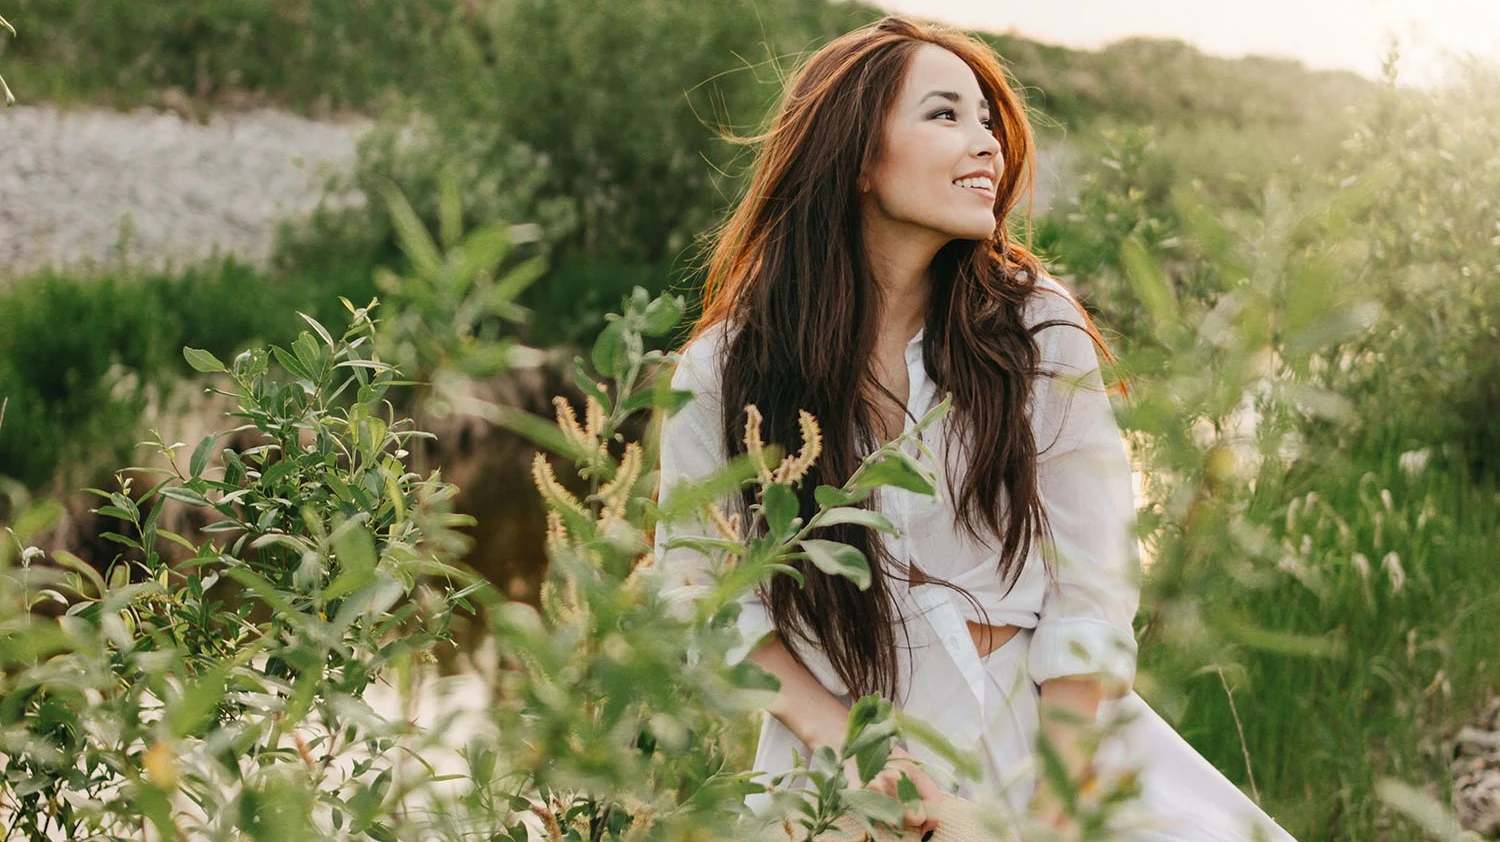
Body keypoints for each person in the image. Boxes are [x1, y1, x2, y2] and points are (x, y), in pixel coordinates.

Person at [654, 15, 1297, 842]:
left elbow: (1089, 590)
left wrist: (1052, 819)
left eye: (989, 121)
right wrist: (850, 750)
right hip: (840, 766)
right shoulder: (727, 366)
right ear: (855, 156)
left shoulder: (1034, 327)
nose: (987, 144)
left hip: (1041, 739)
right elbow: (696, 594)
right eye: (946, 114)